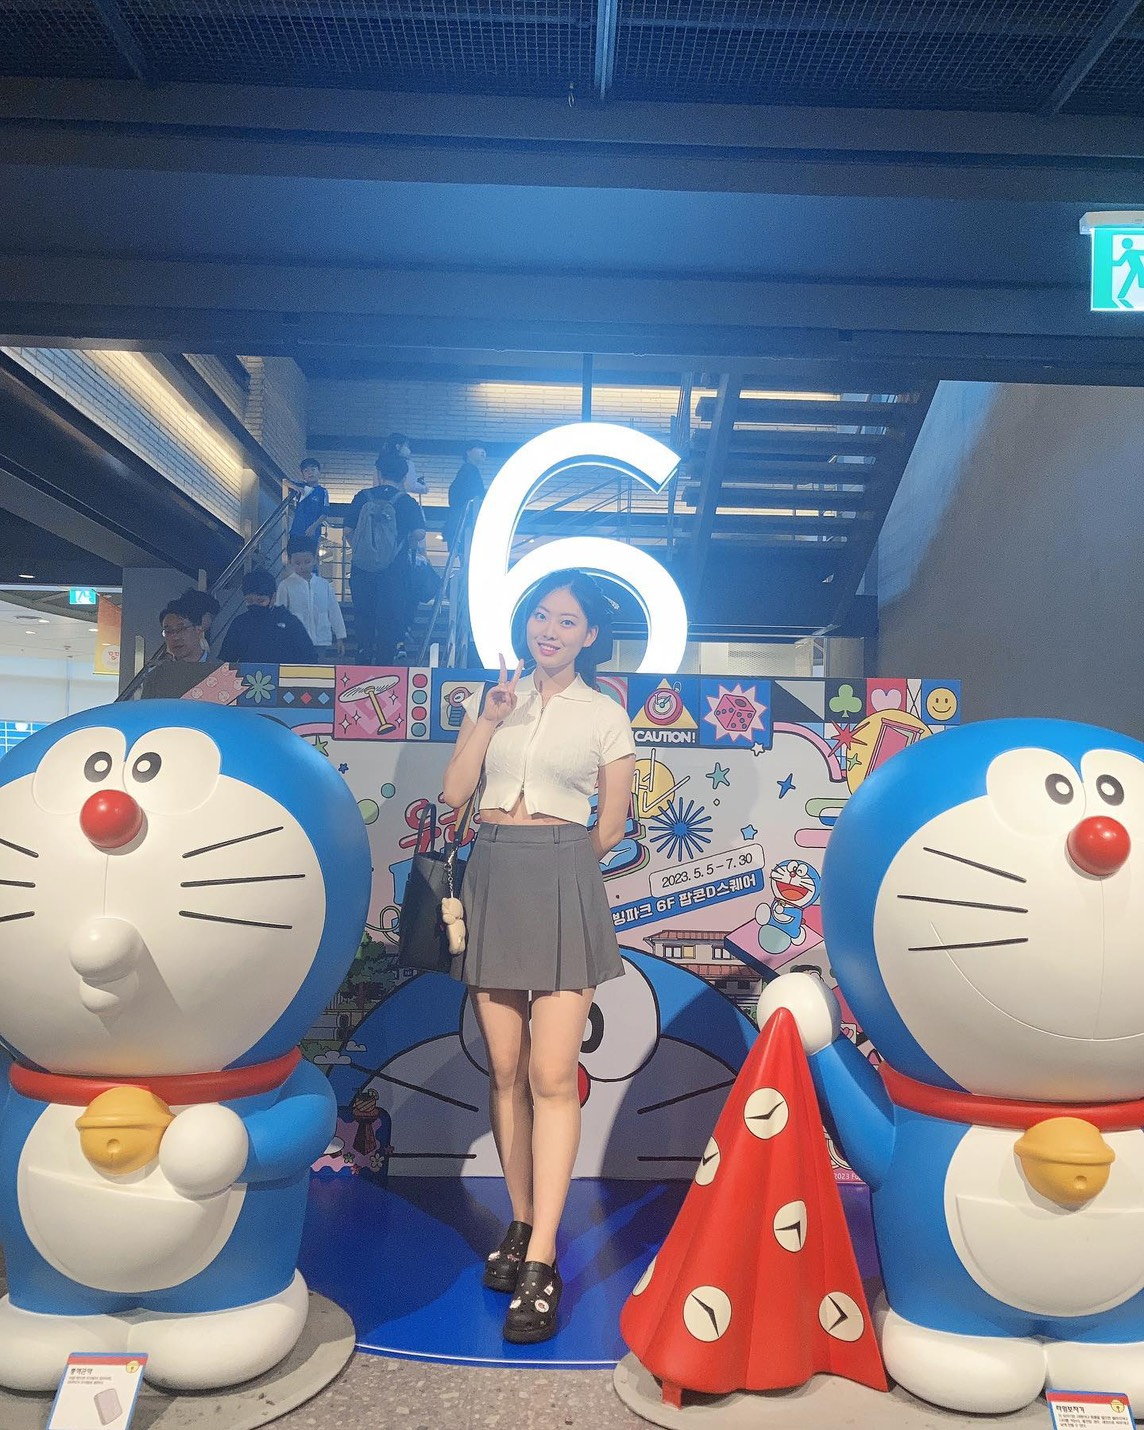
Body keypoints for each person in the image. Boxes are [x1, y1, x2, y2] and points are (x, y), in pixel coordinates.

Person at [440, 570, 636, 1345]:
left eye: (567, 621)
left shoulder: (607, 715)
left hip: (562, 878)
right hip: (490, 869)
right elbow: (453, 793)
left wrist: (560, 868)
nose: (549, 631)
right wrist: (488, 719)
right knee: (505, 1071)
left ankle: (543, 1257)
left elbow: (610, 826)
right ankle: (520, 1223)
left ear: (590, 636)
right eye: (541, 617)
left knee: (554, 1076)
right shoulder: (492, 700)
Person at [346, 452, 426, 665]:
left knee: (364, 615)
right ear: (404, 476)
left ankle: (363, 656)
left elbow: (347, 530)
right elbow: (419, 533)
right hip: (394, 571)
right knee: (389, 617)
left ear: (379, 473)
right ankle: (385, 662)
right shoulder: (406, 501)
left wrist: (364, 551)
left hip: (362, 570)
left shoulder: (362, 497)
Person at [219, 568, 316, 664]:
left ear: (273, 597)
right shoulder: (240, 623)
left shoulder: (290, 622)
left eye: (260, 601)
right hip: (248, 674)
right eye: (249, 601)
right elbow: (226, 660)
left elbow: (309, 658)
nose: (255, 605)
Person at [139, 592, 224, 698]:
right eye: (168, 631)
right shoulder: (156, 675)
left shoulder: (222, 671)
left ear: (198, 628)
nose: (175, 637)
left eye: (181, 629)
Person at [275, 537, 346, 659]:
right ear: (290, 561)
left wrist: (340, 637)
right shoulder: (285, 585)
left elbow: (334, 612)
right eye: (297, 563)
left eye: (307, 561)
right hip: (294, 640)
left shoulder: (324, 585)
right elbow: (280, 614)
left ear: (315, 560)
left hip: (320, 639)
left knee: (318, 668)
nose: (303, 566)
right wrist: (280, 638)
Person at [446, 443, 486, 550]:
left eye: (484, 449)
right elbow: (474, 494)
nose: (483, 452)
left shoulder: (467, 470)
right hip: (466, 518)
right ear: (468, 452)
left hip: (461, 517)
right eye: (479, 448)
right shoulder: (469, 470)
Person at [289, 459, 330, 541]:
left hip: (313, 532)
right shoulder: (301, 486)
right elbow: (284, 481)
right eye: (306, 471)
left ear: (319, 472)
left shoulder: (322, 491)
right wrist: (295, 487)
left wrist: (313, 527)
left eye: (313, 469)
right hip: (297, 530)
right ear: (303, 475)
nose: (310, 473)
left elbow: (325, 513)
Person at [380, 432, 428, 497]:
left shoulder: (380, 462)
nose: (408, 449)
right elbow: (410, 486)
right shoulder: (407, 463)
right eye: (406, 446)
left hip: (380, 497)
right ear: (398, 446)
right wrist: (424, 488)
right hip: (398, 498)